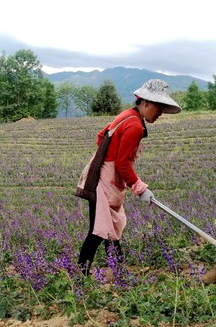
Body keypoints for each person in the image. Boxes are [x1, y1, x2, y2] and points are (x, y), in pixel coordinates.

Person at [77, 79, 182, 277]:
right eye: (159, 108)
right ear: (146, 103)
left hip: (104, 178)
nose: (160, 114)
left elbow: (102, 136)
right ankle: (80, 278)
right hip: (105, 182)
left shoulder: (127, 115)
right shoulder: (134, 125)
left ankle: (119, 275)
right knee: (98, 231)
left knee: (110, 229)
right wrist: (139, 187)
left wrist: (107, 160)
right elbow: (122, 164)